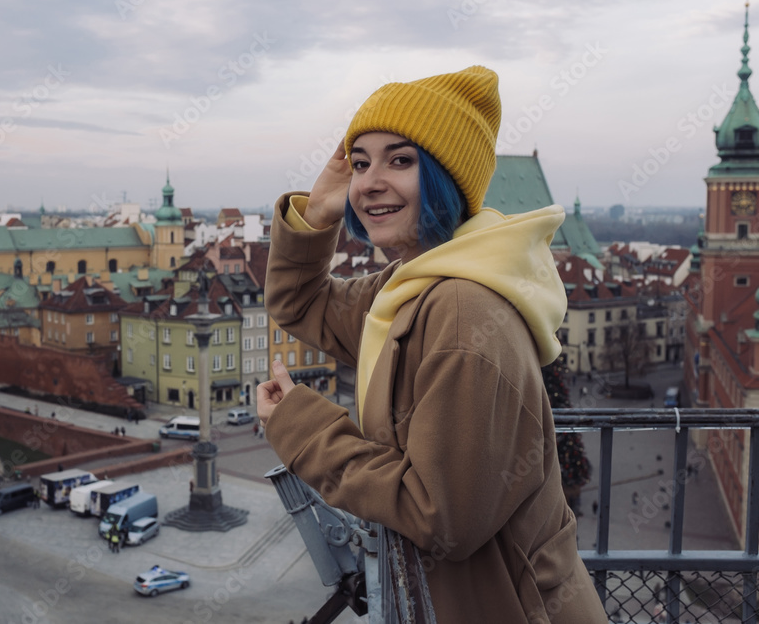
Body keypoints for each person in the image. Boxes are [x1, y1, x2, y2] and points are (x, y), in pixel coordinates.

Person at [257, 67, 607, 623]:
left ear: (447, 178)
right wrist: (315, 216)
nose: (370, 180)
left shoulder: (463, 312)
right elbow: (302, 304)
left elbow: (441, 517)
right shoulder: (416, 285)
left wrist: (301, 427)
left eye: (400, 160)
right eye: (361, 161)